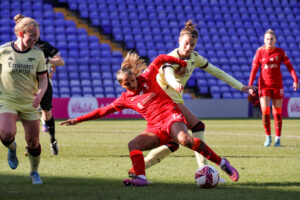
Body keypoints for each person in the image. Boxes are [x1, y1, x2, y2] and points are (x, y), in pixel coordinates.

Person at [61, 53, 240, 186]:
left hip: (171, 115)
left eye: (133, 79)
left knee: (185, 139)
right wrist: (78, 120)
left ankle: (223, 164)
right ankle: (141, 178)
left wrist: (179, 63)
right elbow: (102, 111)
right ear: (122, 85)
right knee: (133, 145)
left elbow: (161, 58)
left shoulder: (146, 78)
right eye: (128, 83)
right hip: (155, 127)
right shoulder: (124, 99)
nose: (133, 83)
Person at [131, 20, 257, 176]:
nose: (188, 48)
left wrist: (240, 86)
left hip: (174, 101)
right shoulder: (169, 58)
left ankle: (138, 169)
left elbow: (216, 71)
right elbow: (168, 74)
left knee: (173, 142)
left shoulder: (194, 58)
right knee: (196, 127)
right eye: (186, 43)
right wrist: (175, 83)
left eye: (192, 45)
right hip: (163, 103)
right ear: (179, 41)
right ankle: (205, 169)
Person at [0, 14, 48, 184]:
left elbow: (43, 79)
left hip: (29, 102)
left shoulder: (38, 54)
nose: (35, 39)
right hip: (8, 100)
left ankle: (34, 172)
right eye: (32, 35)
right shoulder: (3, 51)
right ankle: (12, 149)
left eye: (37, 36)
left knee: (33, 142)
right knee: (6, 134)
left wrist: (40, 95)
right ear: (21, 34)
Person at [17, 14, 65, 156]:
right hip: (26, 84)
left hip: (43, 83)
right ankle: (30, 145)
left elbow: (60, 61)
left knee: (46, 113)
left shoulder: (42, 46)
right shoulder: (19, 47)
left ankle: (52, 141)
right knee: (28, 115)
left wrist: (47, 60)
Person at [248, 29, 299, 147]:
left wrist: (295, 80)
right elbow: (254, 70)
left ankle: (278, 139)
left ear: (275, 40)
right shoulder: (260, 52)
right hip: (264, 85)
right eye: (267, 39)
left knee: (277, 113)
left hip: (277, 85)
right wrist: (250, 85)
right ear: (264, 40)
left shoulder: (280, 52)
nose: (269, 41)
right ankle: (268, 136)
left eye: (271, 39)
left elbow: (290, 67)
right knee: (265, 111)